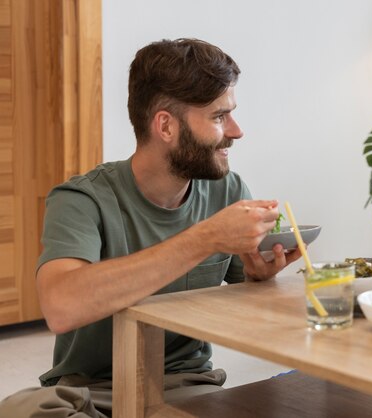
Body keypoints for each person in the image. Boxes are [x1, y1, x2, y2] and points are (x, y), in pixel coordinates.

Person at [0, 38, 301, 417]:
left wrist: (260, 278)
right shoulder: (81, 199)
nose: (237, 131)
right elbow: (61, 306)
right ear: (166, 126)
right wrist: (205, 238)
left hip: (185, 386)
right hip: (90, 392)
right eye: (219, 117)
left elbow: (254, 306)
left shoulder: (229, 191)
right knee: (19, 410)